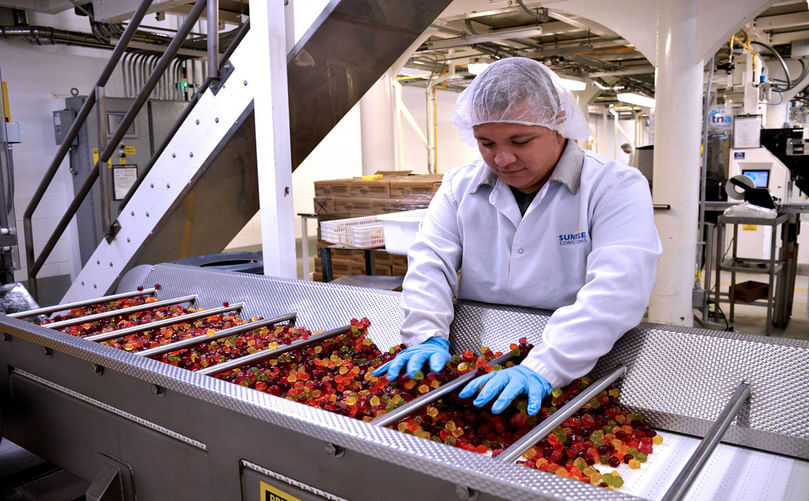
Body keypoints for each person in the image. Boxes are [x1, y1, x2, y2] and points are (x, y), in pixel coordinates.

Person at [373, 57, 662, 416]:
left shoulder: (613, 186)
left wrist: (545, 366)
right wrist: (425, 334)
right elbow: (430, 262)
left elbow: (619, 288)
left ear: (558, 124)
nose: (503, 159)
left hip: (579, 361)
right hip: (478, 360)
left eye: (520, 141)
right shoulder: (459, 186)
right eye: (486, 143)